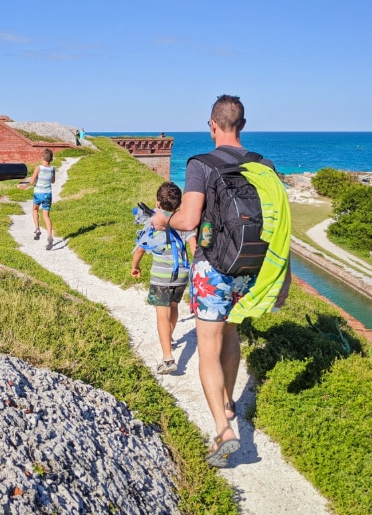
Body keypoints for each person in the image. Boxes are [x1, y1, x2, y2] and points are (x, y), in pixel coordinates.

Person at [151, 95, 291, 468]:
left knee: (208, 346)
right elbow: (280, 227)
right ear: (242, 125)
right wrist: (284, 278)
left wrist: (165, 219)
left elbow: (189, 219)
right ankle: (228, 400)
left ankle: (223, 429)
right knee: (232, 334)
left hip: (213, 267)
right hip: (252, 267)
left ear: (212, 125)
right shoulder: (265, 166)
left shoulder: (201, 164)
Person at [131, 182, 197, 375]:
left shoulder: (153, 221)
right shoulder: (184, 222)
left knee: (162, 315)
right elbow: (194, 249)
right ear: (178, 204)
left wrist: (135, 266)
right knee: (174, 307)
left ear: (157, 202)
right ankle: (170, 337)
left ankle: (168, 358)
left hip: (161, 275)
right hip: (181, 275)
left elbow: (141, 247)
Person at [29, 148, 56, 250]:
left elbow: (32, 182)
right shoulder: (52, 169)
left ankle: (37, 229)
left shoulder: (38, 168)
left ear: (42, 158)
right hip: (48, 194)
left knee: (35, 209)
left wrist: (24, 185)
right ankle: (49, 236)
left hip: (38, 194)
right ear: (51, 159)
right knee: (46, 216)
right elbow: (53, 181)